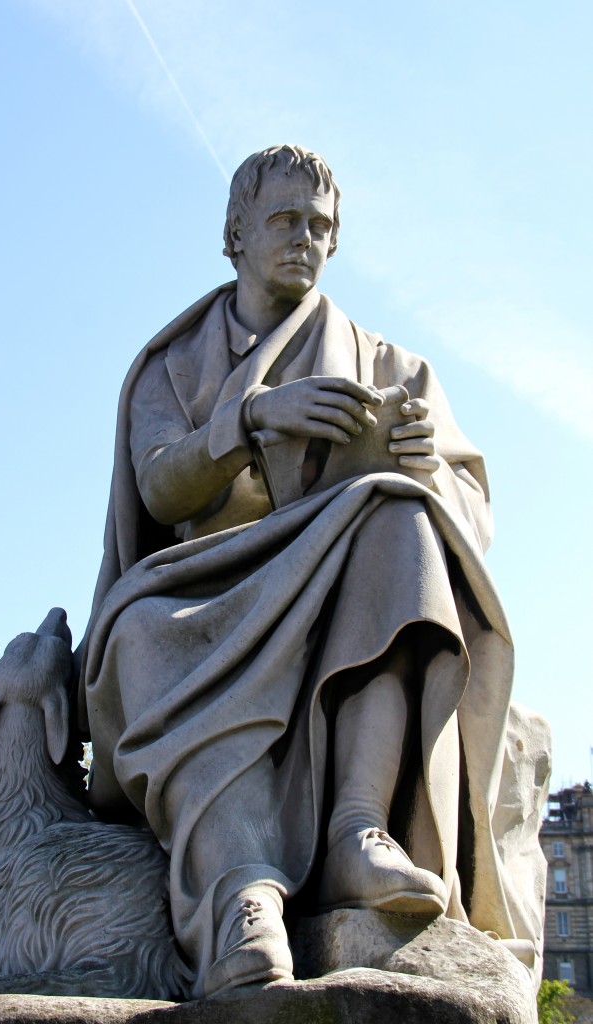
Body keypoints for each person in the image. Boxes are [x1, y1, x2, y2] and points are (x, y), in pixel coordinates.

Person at [77, 145, 535, 999]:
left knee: (400, 521)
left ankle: (359, 831)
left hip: (340, 588)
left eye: (321, 226)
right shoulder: (171, 364)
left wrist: (423, 468)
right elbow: (157, 481)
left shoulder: (389, 363)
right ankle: (241, 893)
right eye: (286, 221)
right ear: (237, 234)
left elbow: (471, 512)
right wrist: (247, 422)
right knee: (140, 638)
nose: (305, 240)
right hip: (201, 590)